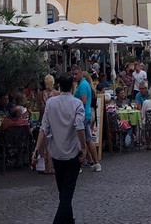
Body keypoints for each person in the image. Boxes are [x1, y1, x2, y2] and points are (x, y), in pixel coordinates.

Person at [32, 74, 87, 224]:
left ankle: (69, 220)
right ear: (72, 87)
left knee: (63, 191)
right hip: (72, 151)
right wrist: (84, 146)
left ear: (59, 86)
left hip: (56, 152)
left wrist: (36, 149)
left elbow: (44, 127)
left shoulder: (51, 103)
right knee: (67, 192)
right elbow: (79, 127)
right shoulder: (76, 104)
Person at [70, 65, 100, 171]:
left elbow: (83, 101)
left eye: (76, 74)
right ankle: (95, 163)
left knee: (82, 140)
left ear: (81, 74)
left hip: (82, 116)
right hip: (86, 114)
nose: (74, 76)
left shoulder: (82, 85)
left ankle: (81, 164)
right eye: (73, 74)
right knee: (87, 139)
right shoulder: (84, 84)